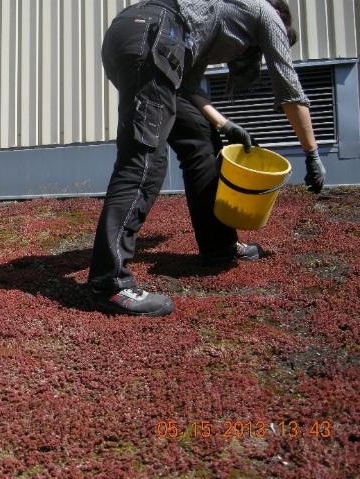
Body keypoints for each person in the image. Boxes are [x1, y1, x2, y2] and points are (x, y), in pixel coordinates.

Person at [88, 0, 327, 317]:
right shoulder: (266, 14)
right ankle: (110, 281)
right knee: (145, 160)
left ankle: (219, 246)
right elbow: (289, 87)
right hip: (152, 35)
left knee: (200, 139)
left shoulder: (212, 25)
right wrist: (312, 154)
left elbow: (186, 88)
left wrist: (225, 124)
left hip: (143, 37)